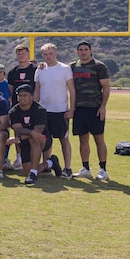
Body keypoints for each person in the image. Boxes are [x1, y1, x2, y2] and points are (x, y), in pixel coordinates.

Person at [70, 40, 111, 180]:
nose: (83, 52)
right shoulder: (73, 66)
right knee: (83, 140)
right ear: (77, 52)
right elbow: (58, 69)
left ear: (91, 51)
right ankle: (85, 168)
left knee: (99, 139)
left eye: (85, 49)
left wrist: (103, 106)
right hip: (79, 109)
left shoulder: (99, 66)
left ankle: (103, 169)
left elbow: (106, 87)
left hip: (95, 108)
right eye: (80, 49)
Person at [34, 42, 76, 179]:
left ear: (56, 54)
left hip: (60, 110)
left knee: (63, 139)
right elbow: (37, 90)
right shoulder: (40, 69)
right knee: (45, 139)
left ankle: (67, 168)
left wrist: (71, 109)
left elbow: (72, 90)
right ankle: (47, 165)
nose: (48, 56)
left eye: (51, 53)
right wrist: (35, 109)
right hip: (44, 110)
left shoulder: (64, 69)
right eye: (45, 54)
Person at [10, 84, 62, 185]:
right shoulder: (14, 111)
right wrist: (29, 133)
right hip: (25, 141)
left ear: (32, 96)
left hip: (42, 139)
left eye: (25, 95)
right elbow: (19, 129)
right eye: (20, 96)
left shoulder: (40, 110)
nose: (22, 98)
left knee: (34, 139)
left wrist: (19, 138)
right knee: (26, 172)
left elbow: (37, 132)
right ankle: (51, 162)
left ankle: (33, 175)